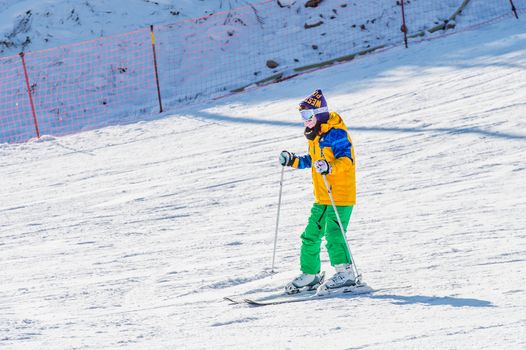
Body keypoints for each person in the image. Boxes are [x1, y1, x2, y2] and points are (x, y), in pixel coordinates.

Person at [279, 89, 358, 294]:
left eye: (308, 115)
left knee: (333, 234)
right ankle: (311, 274)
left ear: (320, 113)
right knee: (310, 235)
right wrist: (293, 160)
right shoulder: (316, 136)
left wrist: (330, 167)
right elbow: (313, 161)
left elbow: (346, 161)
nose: (305, 120)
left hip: (340, 196)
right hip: (322, 197)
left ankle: (346, 273)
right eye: (302, 116)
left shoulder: (336, 134)